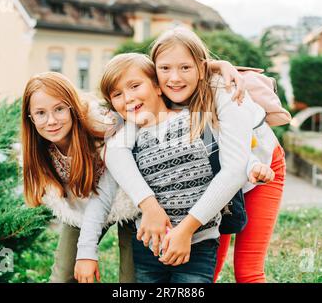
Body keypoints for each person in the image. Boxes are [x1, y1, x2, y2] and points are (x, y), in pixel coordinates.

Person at [101, 27, 287, 283]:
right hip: (211, 177)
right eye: (164, 69)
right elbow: (116, 147)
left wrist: (185, 229)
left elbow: (233, 169)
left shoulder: (226, 90)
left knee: (248, 270)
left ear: (200, 69)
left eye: (185, 69)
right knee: (210, 266)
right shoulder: (155, 98)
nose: (174, 78)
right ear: (154, 75)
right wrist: (150, 206)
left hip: (260, 166)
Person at [20, 71, 139, 283]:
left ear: (73, 108)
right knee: (63, 275)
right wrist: (83, 252)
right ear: (30, 117)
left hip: (127, 200)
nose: (51, 121)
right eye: (40, 113)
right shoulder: (40, 152)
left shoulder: (103, 130)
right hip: (83, 207)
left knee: (132, 279)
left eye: (59, 109)